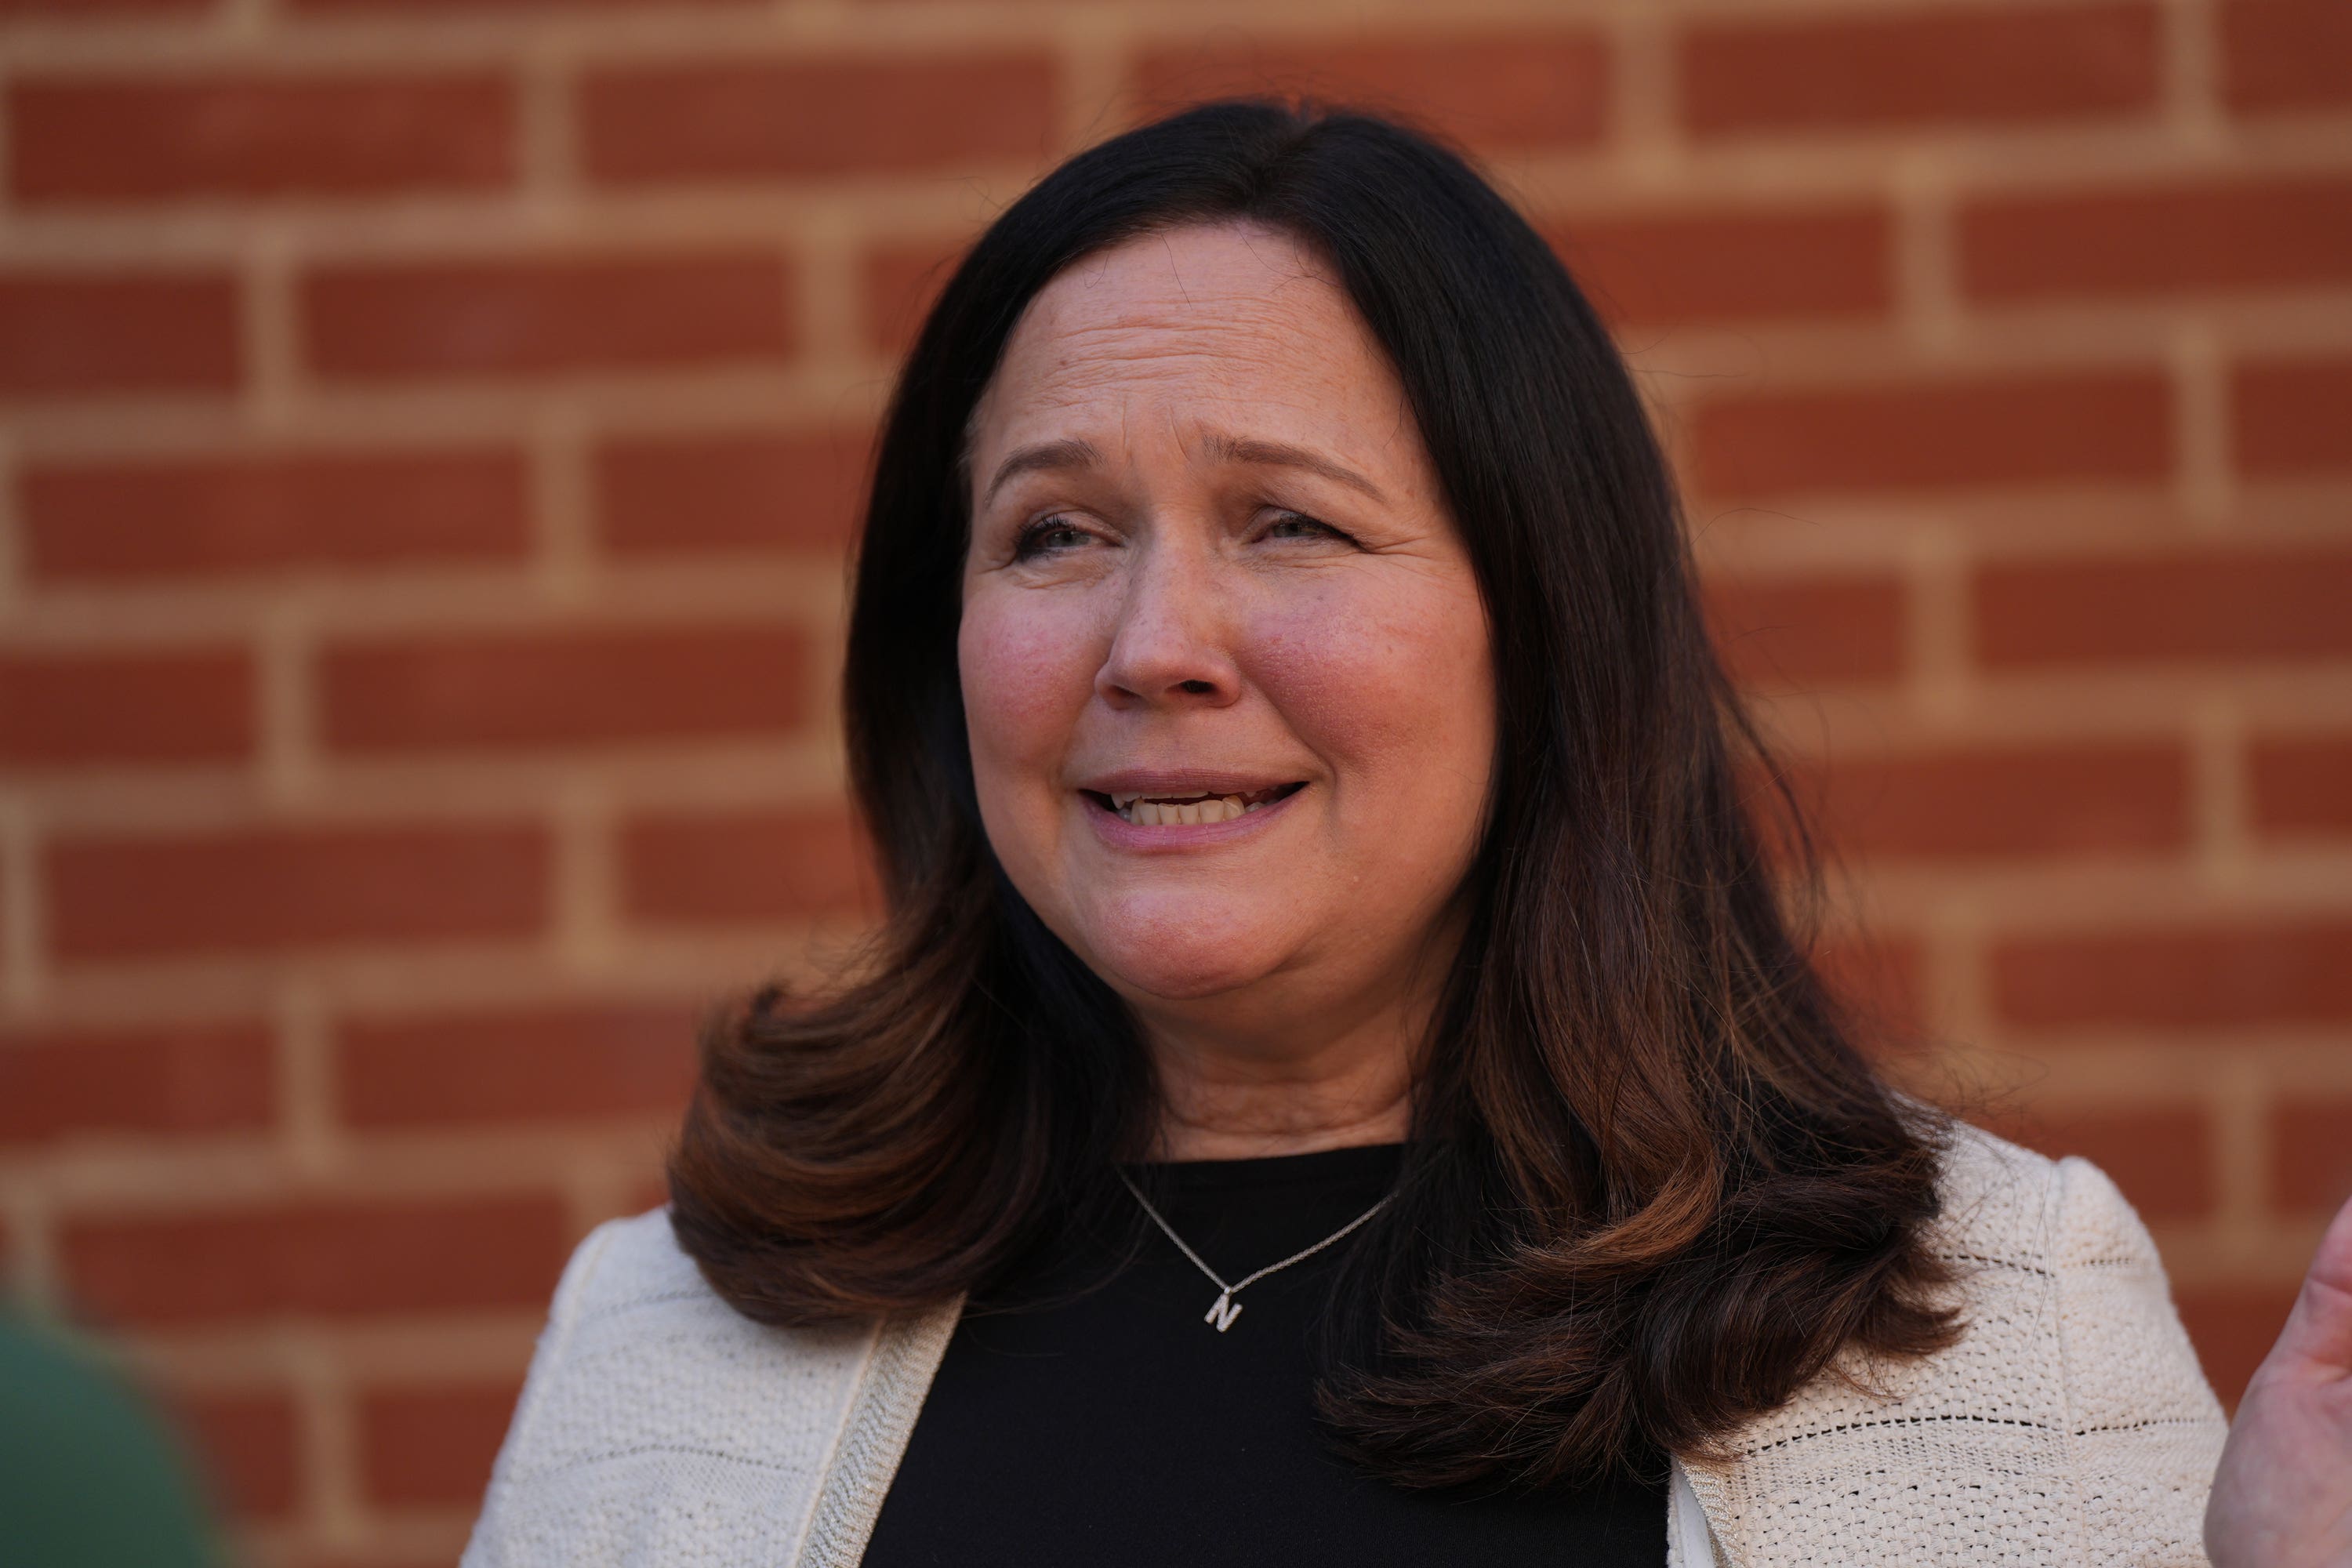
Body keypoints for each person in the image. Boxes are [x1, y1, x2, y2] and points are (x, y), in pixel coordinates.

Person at [461, 100, 2350, 1566]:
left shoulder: (1986, 1323)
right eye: (1053, 531)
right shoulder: (671, 1332)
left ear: (1542, 625)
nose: (1154, 647)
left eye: (1290, 521)